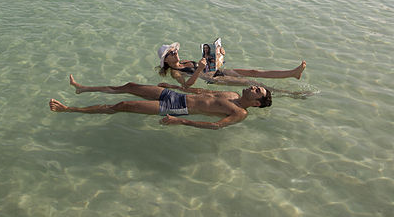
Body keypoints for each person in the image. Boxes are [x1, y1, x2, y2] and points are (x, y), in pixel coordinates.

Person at [49, 77, 272, 129]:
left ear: (258, 103)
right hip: (176, 96)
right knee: (130, 86)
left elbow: (216, 126)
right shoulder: (233, 94)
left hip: (178, 108)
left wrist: (181, 122)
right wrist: (175, 87)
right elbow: (204, 91)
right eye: (255, 86)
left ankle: (68, 109)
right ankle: (83, 88)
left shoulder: (240, 112)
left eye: (257, 90)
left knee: (123, 105)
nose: (253, 87)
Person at [157, 43, 306, 88]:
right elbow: (186, 86)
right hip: (215, 79)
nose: (175, 52)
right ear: (166, 61)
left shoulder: (185, 61)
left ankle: (292, 73)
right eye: (171, 53)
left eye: (175, 50)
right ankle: (289, 94)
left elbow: (208, 65)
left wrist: (220, 55)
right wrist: (200, 69)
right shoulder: (175, 72)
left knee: (254, 71)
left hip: (218, 71)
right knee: (252, 83)